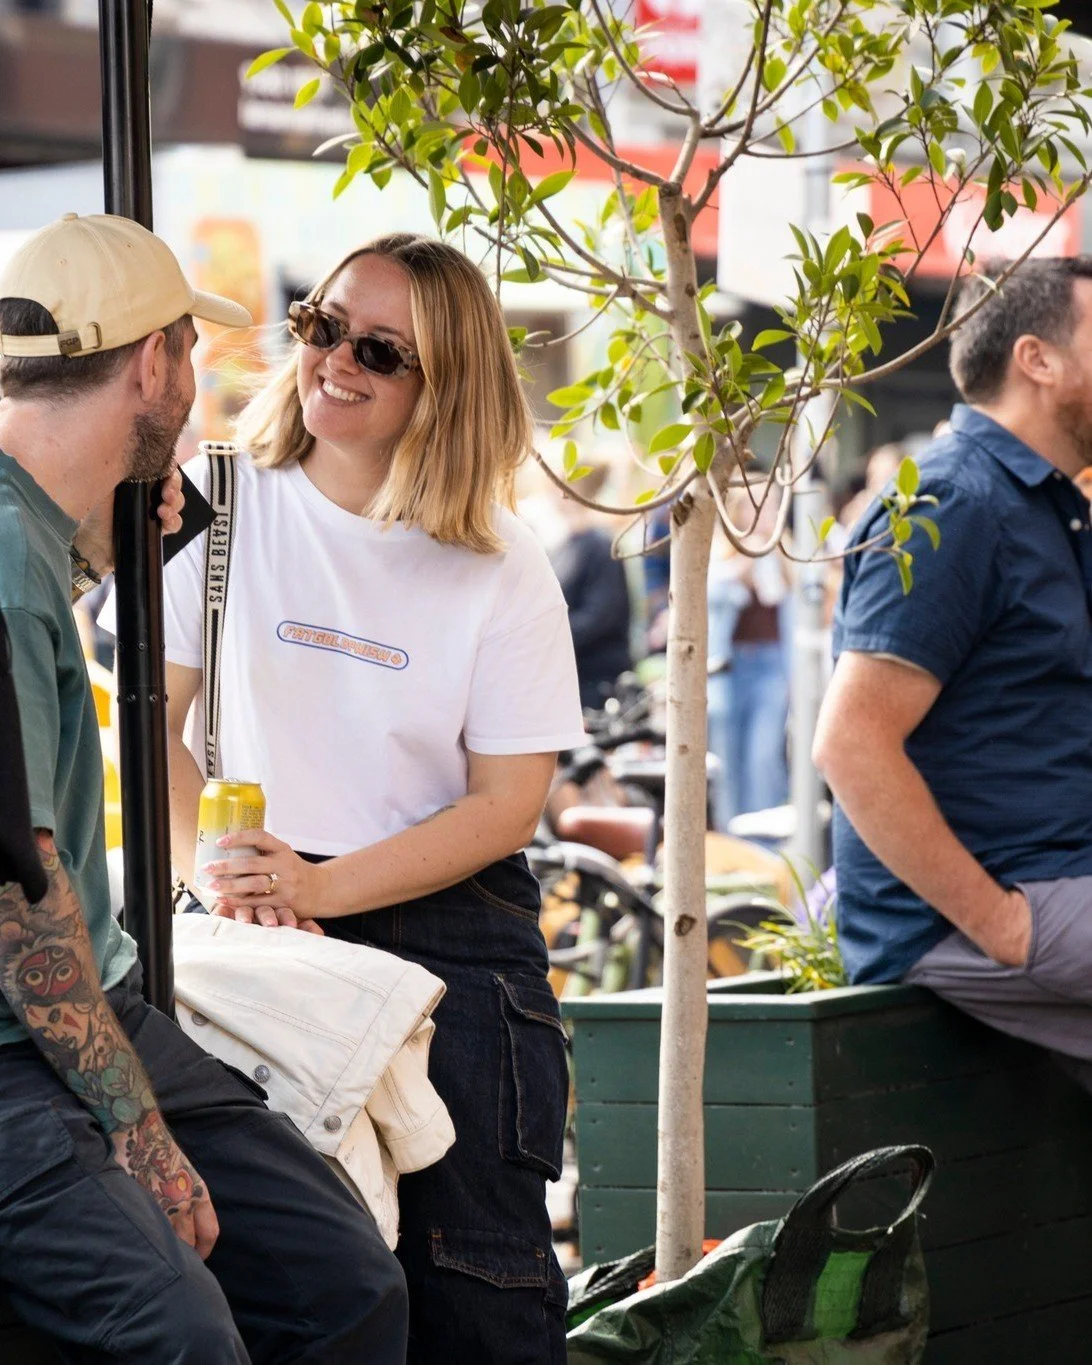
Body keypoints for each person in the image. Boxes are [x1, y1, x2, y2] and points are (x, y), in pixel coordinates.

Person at [152, 233, 587, 1363]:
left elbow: (504, 807)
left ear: (448, 385)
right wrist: (226, 873)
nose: (335, 360)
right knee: (302, 1291)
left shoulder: (502, 563)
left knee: (478, 1295)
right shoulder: (217, 502)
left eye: (381, 351)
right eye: (319, 324)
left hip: (454, 943)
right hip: (251, 935)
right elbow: (149, 726)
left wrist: (322, 884)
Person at [0, 213, 408, 1363]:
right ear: (151, 363)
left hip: (93, 1007)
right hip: (20, 1048)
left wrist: (107, 554)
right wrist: (140, 1130)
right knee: (190, 1342)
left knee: (345, 1287)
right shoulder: (7, 571)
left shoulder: (39, 539)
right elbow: (19, 904)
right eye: (191, 352)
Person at [814, 256, 1092, 1093]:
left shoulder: (1047, 504)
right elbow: (851, 744)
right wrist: (998, 924)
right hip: (983, 912)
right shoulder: (954, 500)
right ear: (1037, 359)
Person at [706, 498, 791, 829]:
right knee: (727, 759)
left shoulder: (782, 556)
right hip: (729, 668)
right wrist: (741, 568)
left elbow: (780, 600)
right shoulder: (719, 559)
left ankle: (761, 837)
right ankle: (734, 837)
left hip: (769, 667)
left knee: (762, 758)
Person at [548, 463, 633, 710]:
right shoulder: (564, 546)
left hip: (598, 681)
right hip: (573, 677)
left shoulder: (600, 546)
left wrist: (553, 638)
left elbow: (600, 614)